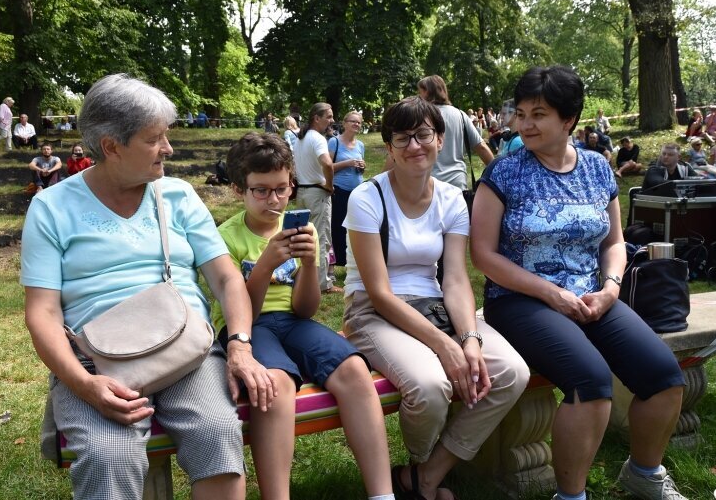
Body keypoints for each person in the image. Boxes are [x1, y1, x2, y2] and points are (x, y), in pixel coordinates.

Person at [21, 74, 258, 499]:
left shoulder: (179, 196)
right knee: (108, 456)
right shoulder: (51, 207)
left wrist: (239, 345)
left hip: (188, 350)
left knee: (219, 433)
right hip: (98, 364)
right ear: (111, 146)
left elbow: (225, 278)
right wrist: (82, 383)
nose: (168, 148)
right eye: (155, 139)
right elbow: (42, 312)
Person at [471, 65, 687, 500]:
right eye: (522, 113)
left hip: (592, 297)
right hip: (519, 300)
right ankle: (570, 496)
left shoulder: (597, 168)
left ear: (569, 119)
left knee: (665, 377)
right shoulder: (505, 173)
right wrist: (551, 293)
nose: (525, 124)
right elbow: (484, 255)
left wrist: (610, 288)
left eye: (540, 114)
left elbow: (614, 241)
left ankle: (644, 474)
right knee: (590, 381)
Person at [343, 95, 529, 500]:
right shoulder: (367, 198)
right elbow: (378, 290)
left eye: (423, 134)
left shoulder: (451, 199)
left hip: (435, 306)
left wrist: (469, 341)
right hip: (374, 311)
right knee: (429, 386)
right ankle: (420, 463)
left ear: (440, 139)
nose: (414, 146)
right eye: (402, 138)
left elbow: (457, 280)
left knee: (511, 372)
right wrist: (445, 345)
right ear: (388, 147)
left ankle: (425, 475)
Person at [210, 132, 394, 500]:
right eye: (260, 190)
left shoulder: (301, 228)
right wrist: (263, 267)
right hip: (246, 327)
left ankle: (382, 494)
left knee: (356, 370)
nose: (273, 200)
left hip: (293, 322)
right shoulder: (225, 238)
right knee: (274, 385)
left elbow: (306, 309)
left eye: (281, 189)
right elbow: (244, 311)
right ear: (238, 191)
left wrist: (310, 264)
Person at [414, 75, 494, 189]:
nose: (418, 96)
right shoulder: (461, 115)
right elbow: (481, 147)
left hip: (427, 185)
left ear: (428, 92)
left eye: (420, 92)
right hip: (457, 185)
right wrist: (498, 175)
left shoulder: (419, 117)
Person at [294, 102, 341, 293]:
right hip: (317, 193)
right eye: (328, 117)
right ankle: (323, 284)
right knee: (320, 238)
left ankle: (304, 279)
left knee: (304, 238)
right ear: (317, 118)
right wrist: (329, 185)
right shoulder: (318, 139)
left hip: (302, 192)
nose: (332, 120)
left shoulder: (301, 138)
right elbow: (327, 164)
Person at [329, 111, 366, 266]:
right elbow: (327, 167)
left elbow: (360, 166)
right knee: (338, 226)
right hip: (339, 190)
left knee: (355, 226)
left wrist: (361, 166)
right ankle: (339, 260)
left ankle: (353, 258)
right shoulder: (334, 142)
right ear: (344, 123)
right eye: (353, 121)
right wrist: (348, 163)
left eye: (359, 122)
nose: (356, 124)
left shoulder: (360, 145)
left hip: (357, 191)